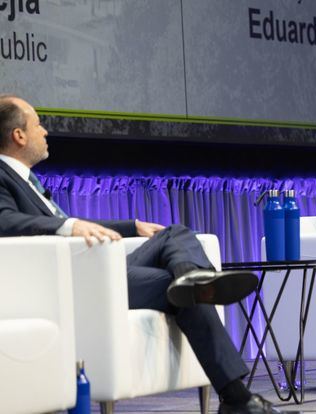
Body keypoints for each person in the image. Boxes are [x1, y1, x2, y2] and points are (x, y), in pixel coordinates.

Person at [0, 94, 279, 414]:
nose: (45, 131)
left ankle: (191, 275)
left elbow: (65, 224)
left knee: (175, 233)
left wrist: (131, 226)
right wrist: (68, 226)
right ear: (18, 135)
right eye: (38, 124)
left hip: (93, 268)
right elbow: (5, 222)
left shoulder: (27, 181)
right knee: (179, 290)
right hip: (74, 283)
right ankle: (236, 398)